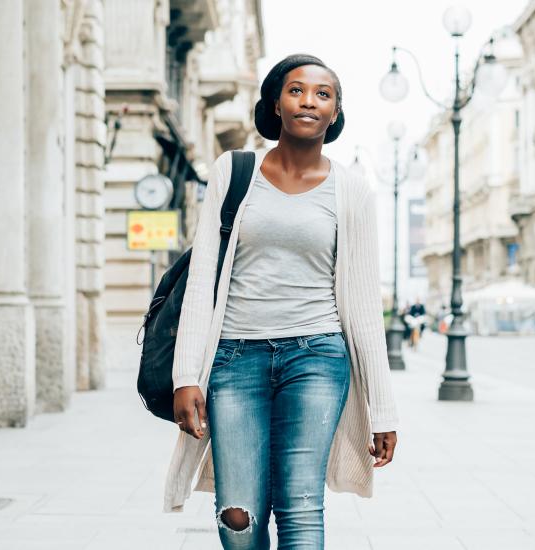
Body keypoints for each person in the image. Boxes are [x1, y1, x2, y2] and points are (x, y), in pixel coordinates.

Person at [166, 54, 399, 549]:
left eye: (323, 93)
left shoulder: (352, 191)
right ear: (275, 103)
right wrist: (187, 374)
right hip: (234, 359)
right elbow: (204, 275)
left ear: (335, 112)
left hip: (317, 357)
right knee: (237, 513)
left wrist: (383, 412)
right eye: (296, 90)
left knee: (299, 505)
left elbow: (362, 305)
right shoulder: (233, 172)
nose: (309, 101)